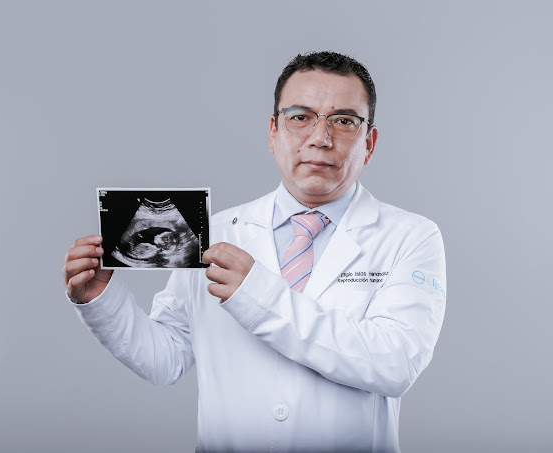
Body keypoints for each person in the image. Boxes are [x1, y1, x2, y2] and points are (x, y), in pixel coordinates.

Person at [62, 51, 446, 453]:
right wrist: (101, 303)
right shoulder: (216, 234)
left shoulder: (411, 236)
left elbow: (395, 363)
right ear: (272, 132)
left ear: (368, 143)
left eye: (344, 121)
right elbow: (165, 360)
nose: (320, 137)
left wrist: (259, 296)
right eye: (300, 117)